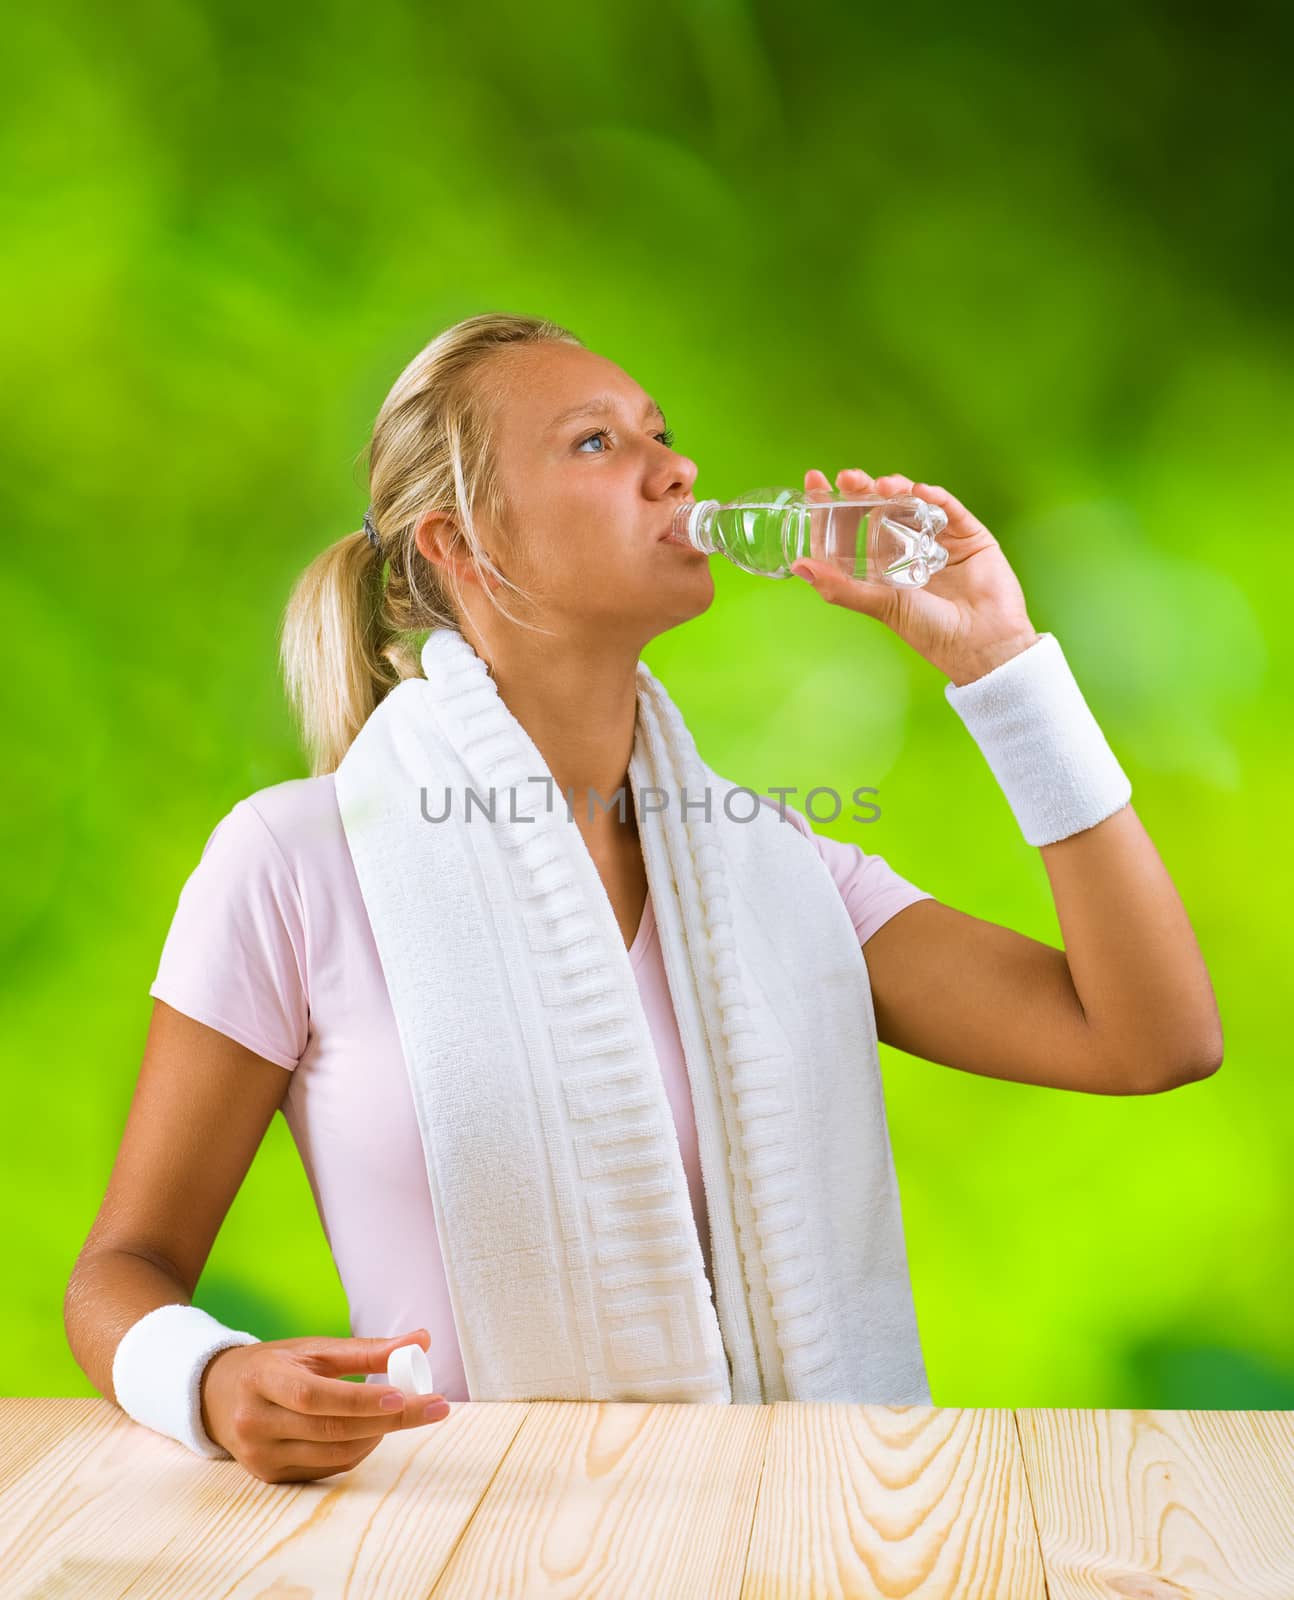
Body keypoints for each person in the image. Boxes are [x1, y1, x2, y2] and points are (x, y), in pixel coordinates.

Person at [65, 312, 1224, 1486]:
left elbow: (1152, 1039)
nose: (676, 470)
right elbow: (124, 1267)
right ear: (462, 545)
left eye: (661, 434)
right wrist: (206, 1377)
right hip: (461, 1538)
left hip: (797, 1536)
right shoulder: (296, 862)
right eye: (594, 444)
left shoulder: (777, 873)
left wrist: (1005, 667)